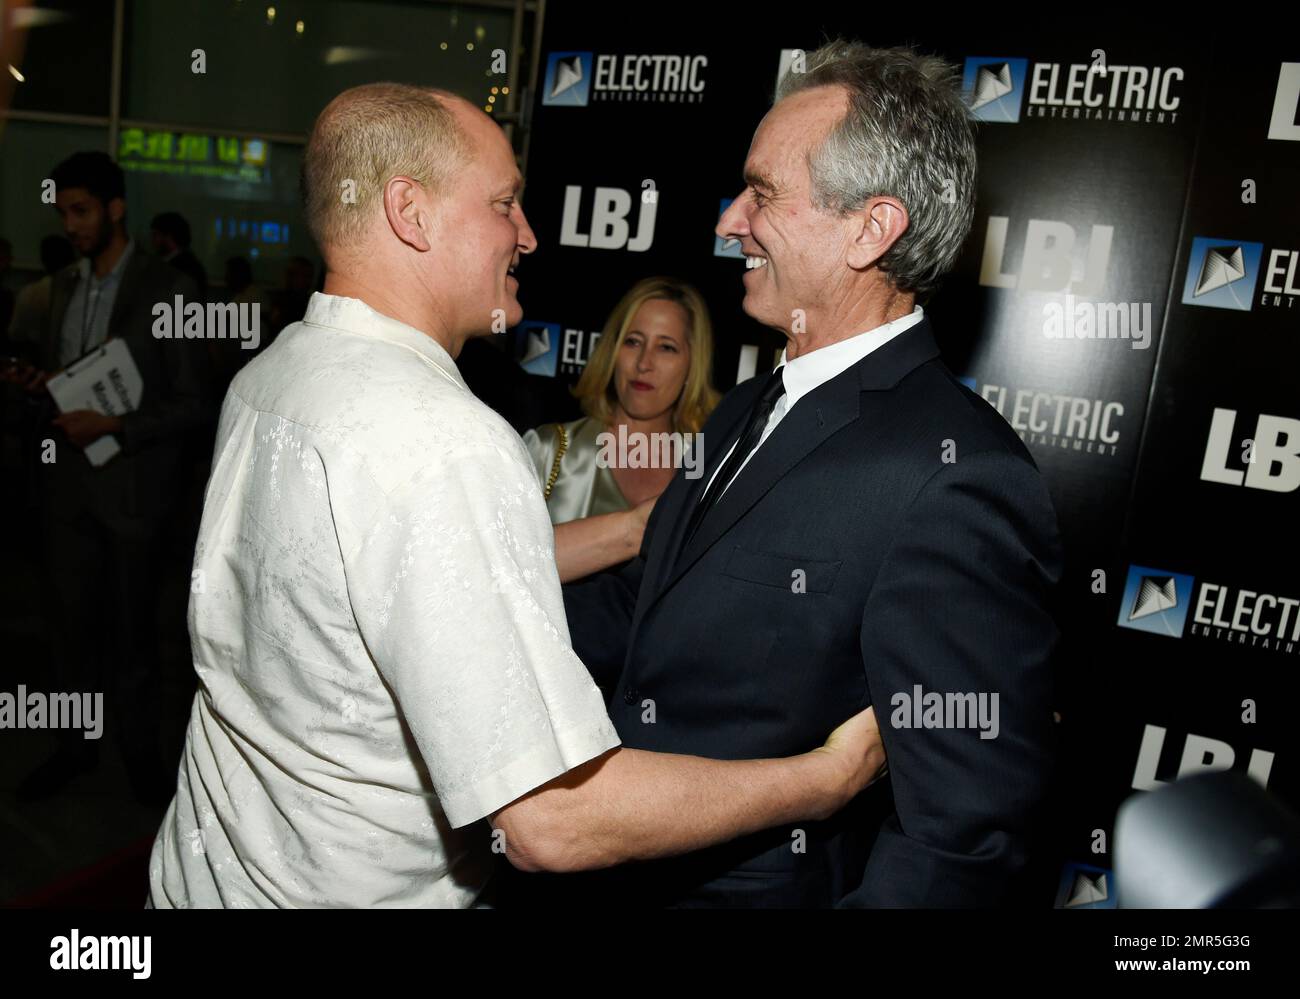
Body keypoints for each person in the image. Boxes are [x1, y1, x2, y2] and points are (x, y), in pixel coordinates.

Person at [146, 82, 887, 909]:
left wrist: (647, 526)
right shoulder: (445, 440)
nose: (528, 235)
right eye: (504, 204)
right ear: (409, 212)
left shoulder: (272, 373)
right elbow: (551, 818)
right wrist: (824, 780)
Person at [528, 40, 1065, 908]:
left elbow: (961, 841)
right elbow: (653, 609)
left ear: (871, 229)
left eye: (764, 194)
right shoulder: (746, 406)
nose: (729, 219)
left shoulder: (957, 479)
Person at [1, 152, 203, 804]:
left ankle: (141, 758)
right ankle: (73, 748)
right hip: (65, 494)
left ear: (116, 208)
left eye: (81, 210)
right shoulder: (57, 288)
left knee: (135, 639)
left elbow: (194, 402)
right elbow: (61, 388)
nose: (71, 224)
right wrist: (38, 388)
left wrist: (116, 427)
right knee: (69, 634)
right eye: (63, 213)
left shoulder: (168, 290)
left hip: (133, 495)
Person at [521, 276, 719, 584]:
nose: (644, 363)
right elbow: (496, 563)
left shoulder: (708, 471)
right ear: (613, 351)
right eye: (633, 341)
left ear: (692, 366)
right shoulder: (551, 450)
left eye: (666, 347)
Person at [150, 212, 208, 302]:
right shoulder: (188, 263)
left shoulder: (184, 268)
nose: (152, 240)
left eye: (155, 235)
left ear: (169, 237)